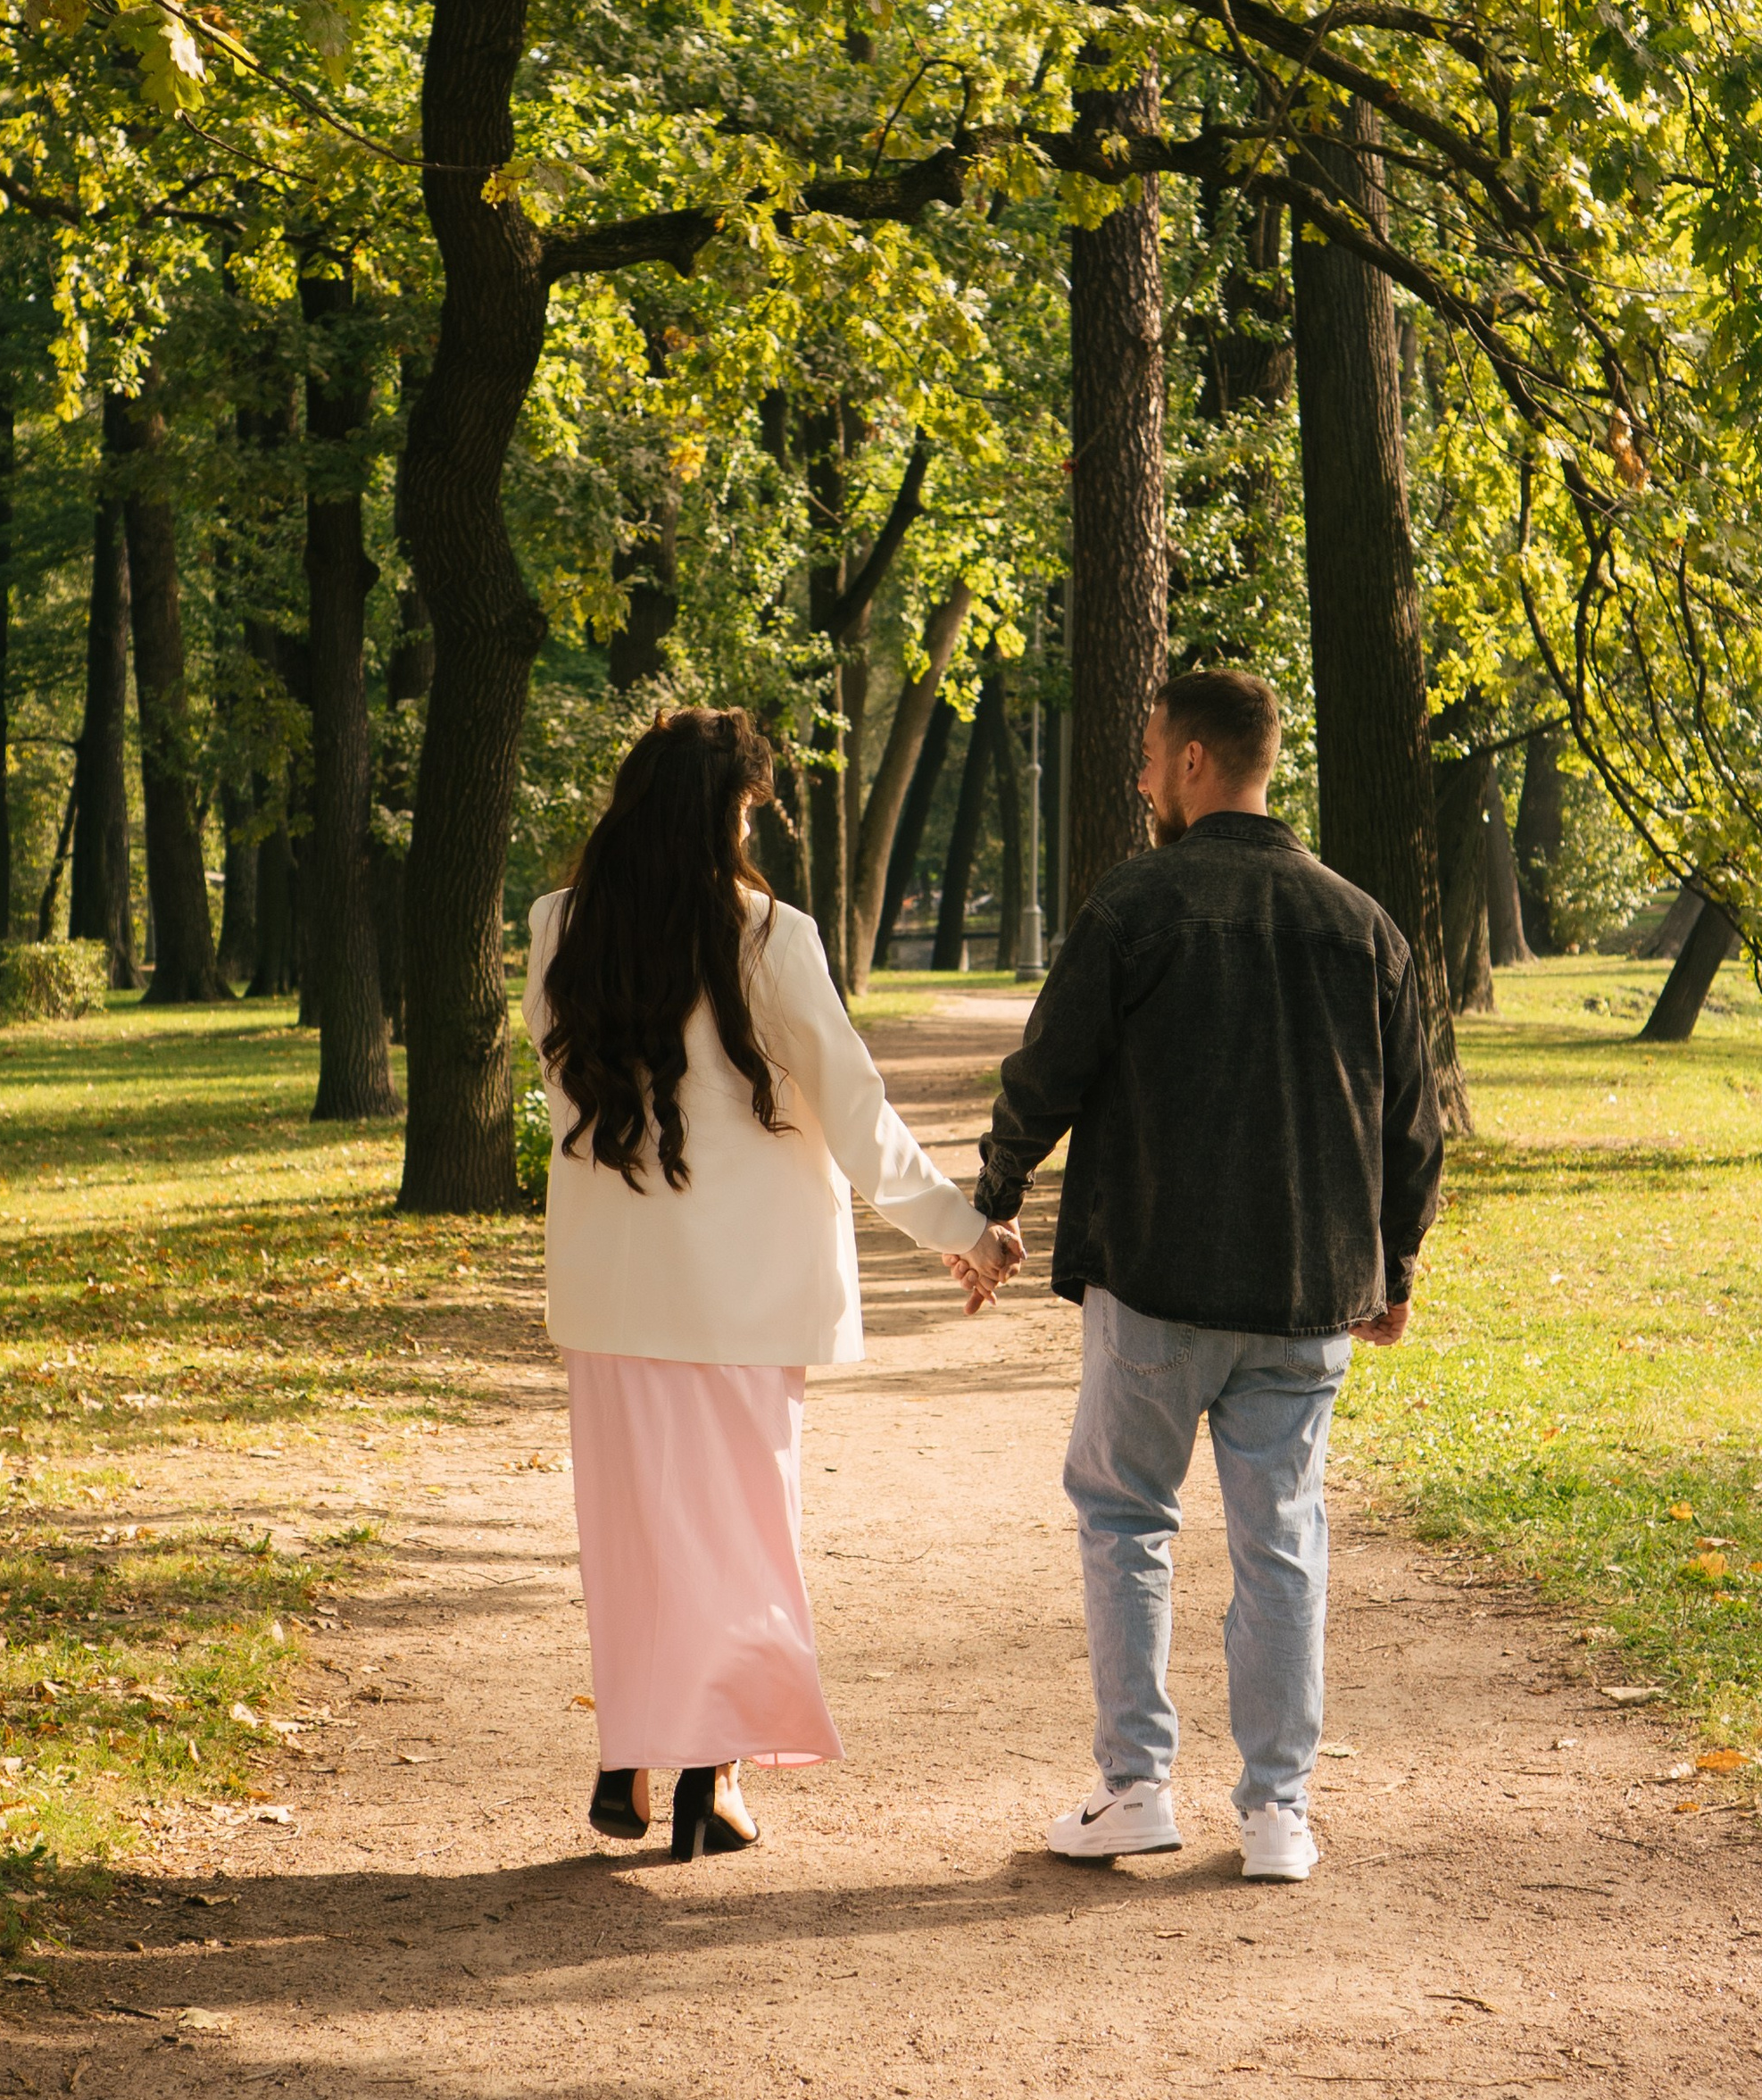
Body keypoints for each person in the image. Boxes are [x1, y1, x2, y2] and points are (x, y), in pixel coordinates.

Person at [960, 669, 1443, 1881]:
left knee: (1127, 1521)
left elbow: (1047, 1071)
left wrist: (997, 1196)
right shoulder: (1360, 922)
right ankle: (1278, 1815)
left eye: (1144, 754)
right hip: (1305, 1291)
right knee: (1283, 1539)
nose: (1135, 776)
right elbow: (1414, 1118)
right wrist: (1394, 1260)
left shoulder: (1136, 905)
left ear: (1190, 761)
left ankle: (1135, 1789)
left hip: (1157, 1279)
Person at [524, 705, 1012, 1862]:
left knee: (632, 1534)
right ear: (725, 811)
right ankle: (710, 1776)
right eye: (749, 809)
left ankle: (624, 1762)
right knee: (741, 1537)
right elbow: (857, 1116)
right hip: (738, 1296)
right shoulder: (767, 936)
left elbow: (565, 1101)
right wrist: (963, 1228)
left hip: (611, 1290)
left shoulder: (558, 928)